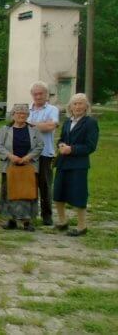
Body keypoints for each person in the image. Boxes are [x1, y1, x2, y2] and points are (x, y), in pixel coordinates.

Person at [53, 93, 99, 237]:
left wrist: (71, 149)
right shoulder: (67, 121)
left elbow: (91, 146)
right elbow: (61, 138)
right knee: (58, 192)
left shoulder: (90, 122)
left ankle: (81, 226)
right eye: (75, 104)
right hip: (63, 162)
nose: (78, 106)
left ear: (86, 106)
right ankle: (62, 221)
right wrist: (60, 144)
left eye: (81, 103)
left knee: (79, 194)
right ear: (70, 107)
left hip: (79, 164)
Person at [0, 104, 44, 232]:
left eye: (24, 113)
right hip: (10, 166)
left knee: (27, 193)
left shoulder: (34, 130)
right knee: (10, 193)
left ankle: (27, 222)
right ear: (13, 115)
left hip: (28, 166)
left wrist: (28, 157)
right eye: (18, 113)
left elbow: (39, 146)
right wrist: (10, 156)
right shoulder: (4, 130)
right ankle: (11, 220)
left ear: (27, 115)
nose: (21, 115)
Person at [27, 81, 59, 225]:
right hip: (28, 154)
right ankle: (31, 214)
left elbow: (51, 126)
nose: (38, 96)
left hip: (45, 153)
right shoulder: (27, 109)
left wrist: (31, 125)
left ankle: (47, 216)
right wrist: (41, 125)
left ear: (46, 95)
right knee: (30, 185)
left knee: (45, 185)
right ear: (32, 95)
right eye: (35, 94)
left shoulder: (52, 109)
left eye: (41, 93)